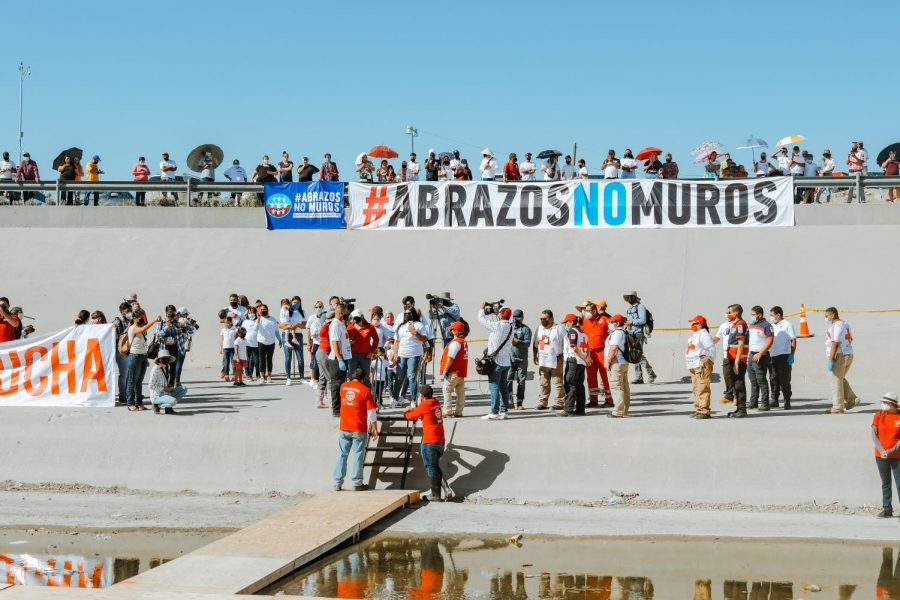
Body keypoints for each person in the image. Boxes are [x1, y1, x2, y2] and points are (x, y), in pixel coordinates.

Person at [333, 368, 378, 492]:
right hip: (358, 428)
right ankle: (357, 483)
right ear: (363, 378)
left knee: (342, 454)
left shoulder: (343, 387)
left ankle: (337, 482)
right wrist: (375, 428)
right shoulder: (365, 390)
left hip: (344, 427)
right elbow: (372, 413)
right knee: (358, 454)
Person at [404, 384, 446, 501]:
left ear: (421, 395)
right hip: (440, 441)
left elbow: (412, 416)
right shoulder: (435, 402)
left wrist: (405, 412)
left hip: (429, 442)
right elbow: (422, 411)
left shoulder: (424, 405)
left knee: (431, 468)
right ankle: (445, 490)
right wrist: (415, 407)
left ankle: (435, 495)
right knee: (435, 466)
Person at [478, 304, 514, 420]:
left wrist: (482, 309)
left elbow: (481, 319)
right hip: (506, 361)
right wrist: (500, 311)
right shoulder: (511, 326)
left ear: (501, 315)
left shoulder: (497, 325)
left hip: (496, 361)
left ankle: (494, 412)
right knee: (503, 386)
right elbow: (505, 316)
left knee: (494, 386)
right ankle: (504, 411)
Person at [577, 299, 613, 407]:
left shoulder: (606, 320)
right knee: (591, 377)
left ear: (594, 311)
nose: (585, 312)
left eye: (587, 310)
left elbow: (613, 333)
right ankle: (593, 400)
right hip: (590, 353)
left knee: (605, 376)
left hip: (602, 352)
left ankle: (609, 400)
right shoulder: (585, 322)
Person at [391, 305, 428, 408]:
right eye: (405, 313)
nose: (407, 315)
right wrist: (395, 353)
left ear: (413, 314)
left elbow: (424, 339)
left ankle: (413, 400)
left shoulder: (419, 325)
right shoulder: (401, 326)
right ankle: (395, 398)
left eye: (409, 313)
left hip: (414, 354)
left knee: (411, 377)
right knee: (399, 377)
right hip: (402, 354)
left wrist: (414, 332)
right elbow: (396, 341)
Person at [825, 306, 859, 414]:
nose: (826, 318)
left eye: (827, 316)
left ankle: (838, 407)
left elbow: (835, 343)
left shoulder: (836, 326)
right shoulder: (845, 324)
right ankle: (852, 399)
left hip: (841, 355)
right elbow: (850, 338)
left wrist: (831, 359)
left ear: (833, 315)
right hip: (849, 354)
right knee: (840, 379)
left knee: (836, 381)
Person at [533, 309, 567, 411]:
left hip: (556, 360)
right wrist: (535, 355)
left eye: (545, 319)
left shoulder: (559, 329)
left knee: (557, 382)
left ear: (551, 319)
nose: (542, 321)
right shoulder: (539, 329)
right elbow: (535, 344)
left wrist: (566, 357)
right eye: (541, 319)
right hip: (543, 360)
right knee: (543, 383)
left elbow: (567, 343)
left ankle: (559, 402)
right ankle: (543, 402)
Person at [126, 310, 160, 411]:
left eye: (142, 317)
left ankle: (139, 403)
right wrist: (154, 321)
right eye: (139, 317)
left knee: (139, 381)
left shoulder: (139, 328)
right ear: (135, 318)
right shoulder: (133, 328)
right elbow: (143, 329)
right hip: (134, 356)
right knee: (132, 381)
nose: (141, 319)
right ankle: (130, 403)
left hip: (142, 356)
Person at [872, 392, 900, 518]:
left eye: (886, 403)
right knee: (886, 483)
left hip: (897, 455)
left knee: (899, 483)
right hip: (880, 455)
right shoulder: (878, 415)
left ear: (893, 405)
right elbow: (874, 434)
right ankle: (887, 509)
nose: (883, 405)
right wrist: (882, 450)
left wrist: (890, 451)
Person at [559, 313, 589, 417]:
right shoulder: (583, 333)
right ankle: (580, 409)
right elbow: (587, 348)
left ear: (571, 322)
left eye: (566, 322)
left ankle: (568, 410)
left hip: (573, 361)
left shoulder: (572, 331)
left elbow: (574, 347)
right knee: (580, 386)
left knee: (570, 384)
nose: (566, 324)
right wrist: (586, 358)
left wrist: (585, 358)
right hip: (581, 363)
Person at [685, 315, 715, 419]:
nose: (692, 325)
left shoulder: (704, 335)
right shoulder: (694, 335)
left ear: (700, 324)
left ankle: (704, 411)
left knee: (703, 387)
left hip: (701, 364)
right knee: (696, 388)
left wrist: (708, 360)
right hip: (693, 365)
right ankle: (698, 409)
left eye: (694, 323)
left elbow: (711, 348)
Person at [723, 303, 749, 418]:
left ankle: (742, 409)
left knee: (739, 384)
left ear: (736, 313)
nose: (728, 314)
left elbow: (741, 344)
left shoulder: (740, 325)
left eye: (730, 312)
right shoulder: (735, 324)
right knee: (735, 383)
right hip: (732, 358)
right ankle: (738, 408)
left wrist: (737, 362)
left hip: (737, 359)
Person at [624, 291, 656, 384]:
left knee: (638, 355)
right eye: (627, 297)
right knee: (634, 355)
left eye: (630, 297)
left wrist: (632, 322)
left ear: (634, 297)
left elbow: (643, 320)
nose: (629, 299)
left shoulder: (640, 307)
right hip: (630, 333)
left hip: (638, 333)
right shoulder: (629, 308)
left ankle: (651, 374)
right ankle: (639, 377)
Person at [768, 306, 796, 410]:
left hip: (784, 356)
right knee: (773, 379)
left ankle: (787, 400)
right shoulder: (771, 326)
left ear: (778, 315)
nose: (771, 317)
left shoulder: (787, 325)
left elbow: (793, 340)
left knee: (784, 380)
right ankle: (774, 400)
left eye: (772, 315)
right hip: (772, 356)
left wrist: (792, 354)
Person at [746, 305, 774, 411]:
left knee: (761, 379)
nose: (751, 316)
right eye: (751, 314)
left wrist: (761, 353)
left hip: (761, 355)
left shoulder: (767, 326)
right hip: (752, 354)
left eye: (753, 315)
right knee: (753, 380)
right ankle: (753, 402)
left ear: (760, 315)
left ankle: (765, 403)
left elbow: (770, 341)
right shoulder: (752, 325)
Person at [439, 321, 468, 418]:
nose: (451, 331)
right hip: (461, 372)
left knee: (447, 390)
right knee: (460, 392)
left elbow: (451, 357)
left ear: (456, 331)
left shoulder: (455, 343)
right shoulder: (464, 342)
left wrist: (446, 370)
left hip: (453, 372)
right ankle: (459, 412)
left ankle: (447, 411)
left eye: (452, 329)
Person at [605, 314, 630, 418]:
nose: (610, 324)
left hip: (616, 362)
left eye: (612, 322)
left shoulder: (617, 333)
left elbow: (614, 348)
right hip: (623, 362)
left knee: (616, 387)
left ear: (617, 323)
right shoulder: (624, 332)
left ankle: (618, 411)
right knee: (624, 387)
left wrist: (608, 361)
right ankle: (624, 410)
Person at [329, 303, 352, 417]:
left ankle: (341, 408)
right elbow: (335, 342)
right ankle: (336, 410)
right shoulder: (335, 325)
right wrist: (339, 359)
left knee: (342, 384)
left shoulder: (341, 324)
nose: (346, 315)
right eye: (344, 313)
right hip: (337, 359)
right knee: (337, 385)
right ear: (340, 313)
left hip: (344, 356)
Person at [148, 349, 187, 414]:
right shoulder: (155, 369)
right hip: (158, 395)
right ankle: (157, 405)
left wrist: (169, 387)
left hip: (166, 392)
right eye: (164, 358)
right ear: (160, 359)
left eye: (168, 358)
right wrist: (163, 388)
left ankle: (168, 408)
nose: (167, 359)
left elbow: (165, 382)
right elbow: (151, 385)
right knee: (173, 401)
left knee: (184, 388)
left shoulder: (167, 367)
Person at [279, 296, 307, 386]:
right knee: (288, 357)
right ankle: (288, 378)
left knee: (300, 357)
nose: (296, 304)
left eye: (297, 303)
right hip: (287, 335)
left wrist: (297, 325)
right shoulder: (286, 311)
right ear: (291, 303)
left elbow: (304, 326)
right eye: (294, 302)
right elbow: (281, 325)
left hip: (298, 335)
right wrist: (290, 326)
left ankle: (302, 378)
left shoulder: (302, 313)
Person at [507, 309, 532, 409]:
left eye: (518, 318)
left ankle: (520, 401)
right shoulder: (509, 328)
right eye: (514, 318)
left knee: (521, 381)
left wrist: (518, 342)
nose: (516, 320)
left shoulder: (526, 329)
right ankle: (509, 401)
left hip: (522, 360)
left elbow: (527, 343)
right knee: (508, 380)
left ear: (522, 318)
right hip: (510, 358)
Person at [347, 309, 378, 387]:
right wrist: (349, 342)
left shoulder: (369, 326)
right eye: (354, 319)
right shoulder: (350, 327)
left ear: (362, 317)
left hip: (365, 355)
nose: (355, 321)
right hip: (352, 355)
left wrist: (371, 352)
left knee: (366, 377)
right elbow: (344, 340)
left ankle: (367, 395)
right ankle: (353, 394)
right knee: (352, 376)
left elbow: (376, 339)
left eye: (357, 319)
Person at [112, 302, 132, 402]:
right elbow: (117, 336)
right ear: (121, 312)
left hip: (131, 350)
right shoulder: (118, 321)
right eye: (127, 311)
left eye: (130, 311)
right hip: (121, 351)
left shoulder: (132, 320)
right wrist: (128, 328)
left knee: (130, 374)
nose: (129, 313)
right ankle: (122, 396)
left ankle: (128, 394)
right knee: (124, 374)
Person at [255, 304, 277, 384]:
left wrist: (279, 339)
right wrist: (258, 319)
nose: (263, 310)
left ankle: (269, 376)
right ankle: (262, 377)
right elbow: (255, 329)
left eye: (264, 309)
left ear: (267, 310)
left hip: (271, 342)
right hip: (261, 342)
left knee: (269, 359)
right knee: (262, 359)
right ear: (259, 311)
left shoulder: (273, 319)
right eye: (261, 309)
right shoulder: (259, 319)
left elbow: (276, 330)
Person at [219, 316, 236, 381]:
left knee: (233, 362)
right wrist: (221, 348)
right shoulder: (223, 330)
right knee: (226, 362)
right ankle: (226, 375)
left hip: (233, 348)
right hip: (225, 348)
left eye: (228, 323)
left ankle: (234, 375)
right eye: (225, 323)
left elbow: (236, 339)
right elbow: (222, 340)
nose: (227, 324)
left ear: (231, 322)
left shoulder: (234, 329)